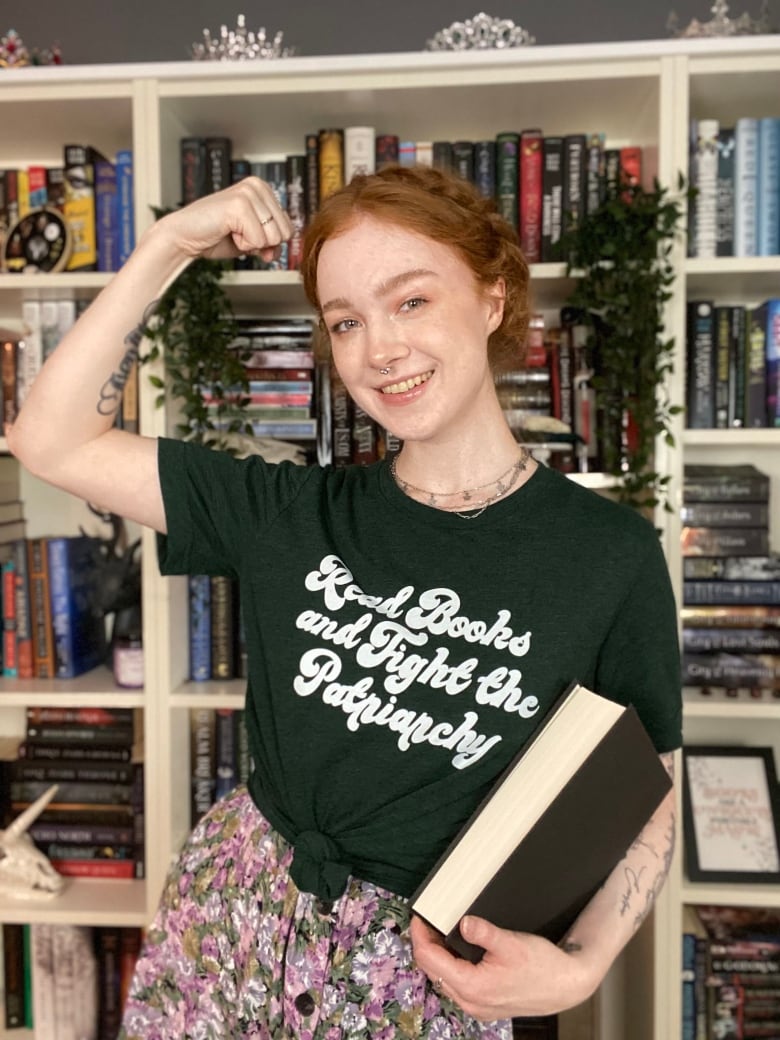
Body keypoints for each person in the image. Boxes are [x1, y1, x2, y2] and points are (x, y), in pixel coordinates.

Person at [9, 164, 682, 1038]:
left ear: (493, 296)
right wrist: (170, 245)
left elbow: (649, 780)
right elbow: (46, 436)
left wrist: (585, 964)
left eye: (412, 302)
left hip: (430, 977)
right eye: (347, 322)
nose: (380, 350)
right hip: (234, 926)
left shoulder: (610, 552)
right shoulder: (288, 512)